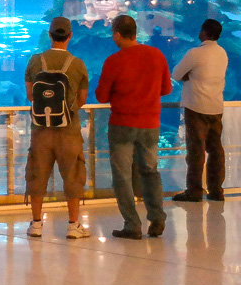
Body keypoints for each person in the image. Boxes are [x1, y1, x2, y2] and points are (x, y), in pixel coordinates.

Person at [96, 14, 172, 239]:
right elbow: (166, 89)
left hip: (122, 124)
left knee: (122, 176)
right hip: (150, 123)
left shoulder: (114, 61)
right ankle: (157, 219)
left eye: (113, 34)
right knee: (150, 171)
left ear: (117, 34)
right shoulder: (156, 55)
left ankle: (132, 224)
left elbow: (101, 96)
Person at [23, 17, 91, 239]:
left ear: (50, 35)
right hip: (68, 130)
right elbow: (82, 98)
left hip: (40, 130)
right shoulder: (78, 64)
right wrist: (68, 110)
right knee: (72, 173)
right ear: (70, 36)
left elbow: (31, 95)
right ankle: (73, 225)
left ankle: (35, 223)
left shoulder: (36, 61)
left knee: (37, 173)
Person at [171, 19, 229, 203]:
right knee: (216, 150)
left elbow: (176, 74)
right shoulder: (222, 53)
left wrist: (190, 76)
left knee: (196, 151)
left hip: (196, 107)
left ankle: (194, 191)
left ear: (204, 32)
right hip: (216, 107)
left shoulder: (195, 53)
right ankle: (216, 190)